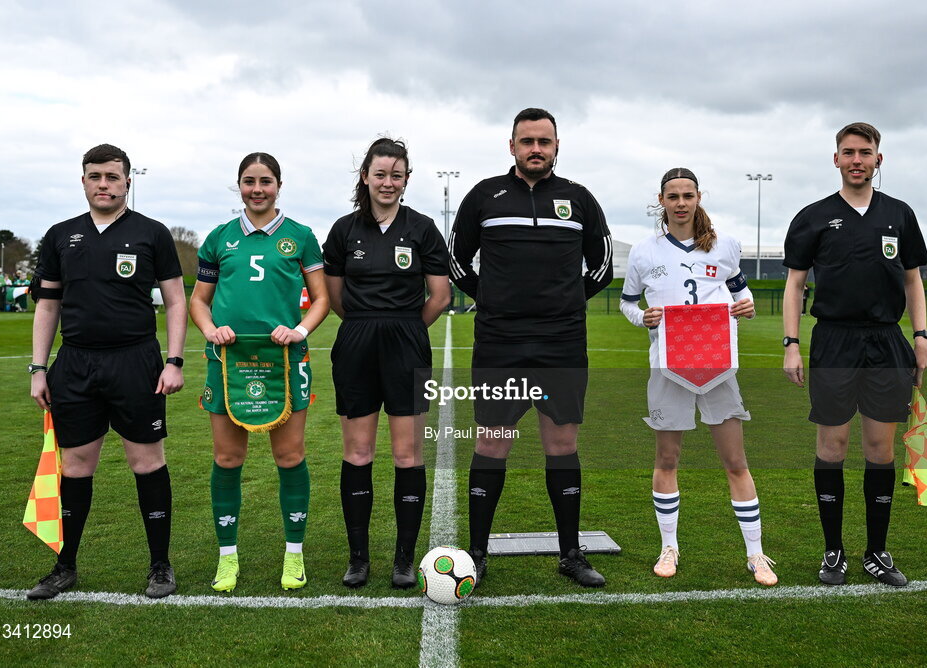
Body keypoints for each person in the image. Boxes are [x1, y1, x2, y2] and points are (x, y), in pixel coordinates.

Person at [449, 108, 613, 587]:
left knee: (561, 443)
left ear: (557, 146)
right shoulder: (484, 196)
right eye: (527, 141)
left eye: (544, 141)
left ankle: (570, 554)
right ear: (512, 146)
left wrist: (561, 304)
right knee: (492, 441)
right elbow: (455, 262)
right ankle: (477, 553)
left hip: (561, 343)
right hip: (500, 342)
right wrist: (496, 301)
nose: (536, 149)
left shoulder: (578, 199)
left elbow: (600, 267)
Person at [27, 143, 186, 600]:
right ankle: (64, 566)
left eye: (112, 177)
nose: (103, 184)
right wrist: (39, 368)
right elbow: (48, 304)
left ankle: (160, 566)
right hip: (74, 364)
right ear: (82, 181)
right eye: (95, 176)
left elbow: (175, 300)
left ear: (127, 183)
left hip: (136, 361)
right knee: (76, 466)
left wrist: (173, 360)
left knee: (147, 462)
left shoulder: (152, 234)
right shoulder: (60, 236)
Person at [782, 122, 927, 587]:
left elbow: (912, 280)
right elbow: (794, 285)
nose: (857, 160)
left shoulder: (900, 215)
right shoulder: (813, 217)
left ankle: (877, 553)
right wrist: (791, 344)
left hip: (887, 341)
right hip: (834, 341)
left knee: (880, 449)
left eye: (865, 152)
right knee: (832, 447)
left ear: (878, 159)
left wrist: (920, 334)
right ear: (836, 160)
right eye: (848, 152)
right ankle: (833, 553)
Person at [620, 168, 778, 586]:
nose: (681, 203)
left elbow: (742, 294)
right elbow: (628, 303)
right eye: (673, 196)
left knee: (735, 461)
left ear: (698, 197)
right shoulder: (644, 252)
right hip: (668, 364)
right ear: (661, 200)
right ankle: (668, 546)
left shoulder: (724, 245)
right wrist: (643, 317)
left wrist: (746, 307)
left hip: (717, 364)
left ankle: (756, 554)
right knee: (667, 458)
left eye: (688, 195)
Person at [190, 152, 329, 593]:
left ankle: (294, 555)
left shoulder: (301, 237)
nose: (257, 189)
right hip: (229, 362)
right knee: (228, 458)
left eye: (265, 181)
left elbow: (321, 298)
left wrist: (300, 328)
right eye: (249, 181)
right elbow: (198, 301)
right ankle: (227, 557)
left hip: (284, 363)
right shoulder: (219, 238)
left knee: (289, 457)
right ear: (239, 186)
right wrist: (212, 329)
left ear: (278, 185)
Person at [323, 138, 451, 588]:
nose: (388, 182)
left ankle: (403, 558)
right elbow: (335, 297)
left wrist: (406, 328)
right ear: (365, 176)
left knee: (407, 452)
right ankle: (358, 558)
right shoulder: (344, 230)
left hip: (406, 342)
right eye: (380, 174)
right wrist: (366, 324)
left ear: (407, 180)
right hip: (357, 339)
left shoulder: (423, 228)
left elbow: (440, 296)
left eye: (397, 175)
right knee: (358, 452)